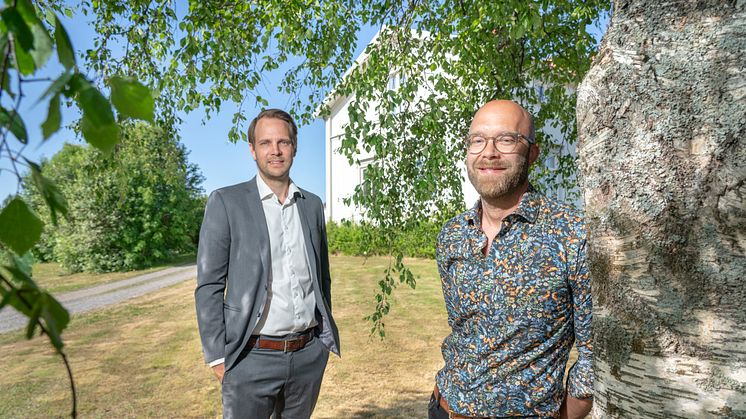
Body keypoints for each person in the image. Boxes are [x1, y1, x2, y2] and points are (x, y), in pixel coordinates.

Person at [430, 100, 592, 419]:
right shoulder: (452, 236)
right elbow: (463, 330)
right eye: (478, 140)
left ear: (532, 153)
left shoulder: (573, 235)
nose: (489, 152)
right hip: (443, 407)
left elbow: (594, 356)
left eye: (506, 139)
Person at [195, 108, 340, 419]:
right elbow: (209, 286)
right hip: (250, 358)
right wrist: (217, 358)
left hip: (307, 356)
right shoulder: (225, 202)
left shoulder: (312, 205)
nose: (275, 151)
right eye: (265, 143)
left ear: (295, 147)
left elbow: (321, 277)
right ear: (252, 150)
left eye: (283, 142)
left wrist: (320, 347)